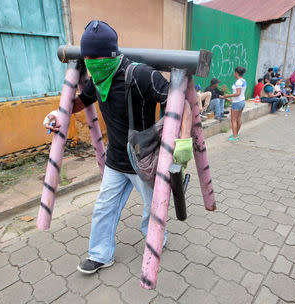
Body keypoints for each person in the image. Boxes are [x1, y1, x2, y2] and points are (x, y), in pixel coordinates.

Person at [44, 20, 193, 274]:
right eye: (86, 57)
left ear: (111, 55)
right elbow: (82, 101)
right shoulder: (99, 77)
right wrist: (58, 114)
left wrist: (184, 142)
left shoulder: (141, 75)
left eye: (95, 57)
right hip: (115, 159)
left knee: (153, 208)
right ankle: (100, 254)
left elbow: (183, 105)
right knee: (104, 207)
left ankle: (156, 237)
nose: (90, 62)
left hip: (143, 159)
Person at [221, 66, 246, 142]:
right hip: (242, 101)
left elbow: (238, 93)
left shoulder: (238, 82)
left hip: (237, 102)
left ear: (236, 73)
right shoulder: (243, 80)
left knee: (233, 120)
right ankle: (236, 134)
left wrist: (227, 95)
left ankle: (234, 137)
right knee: (238, 119)